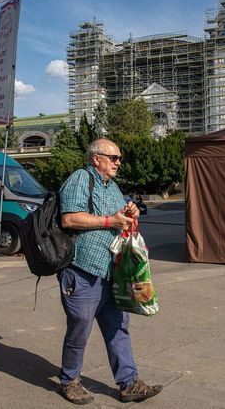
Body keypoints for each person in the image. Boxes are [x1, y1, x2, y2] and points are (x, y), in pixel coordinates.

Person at [56, 138, 162, 405]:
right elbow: (69, 218)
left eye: (119, 158)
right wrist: (109, 220)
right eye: (113, 157)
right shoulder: (80, 179)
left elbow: (119, 218)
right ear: (96, 159)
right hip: (82, 271)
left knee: (118, 328)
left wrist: (130, 211)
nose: (118, 162)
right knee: (79, 328)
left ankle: (129, 383)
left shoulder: (112, 187)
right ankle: (70, 380)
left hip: (111, 272)